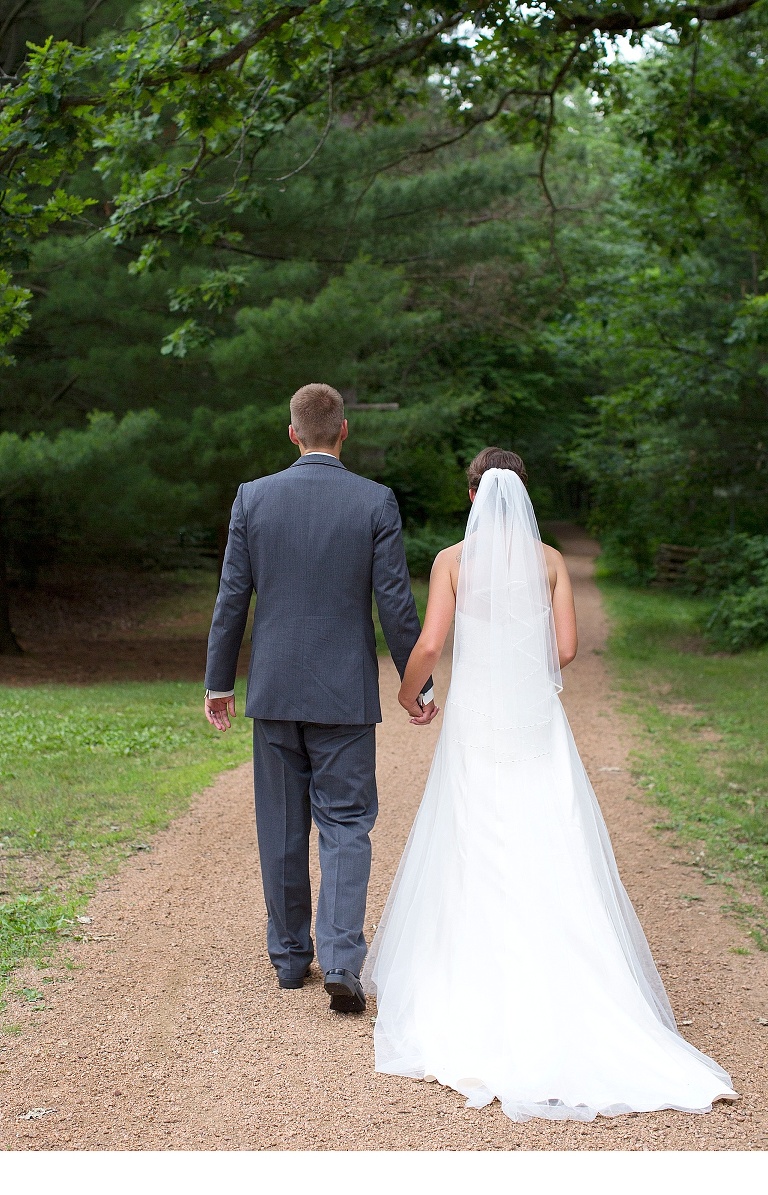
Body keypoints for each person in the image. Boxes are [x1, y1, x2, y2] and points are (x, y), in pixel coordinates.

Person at [362, 447, 737, 1121]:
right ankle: (572, 984)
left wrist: (409, 688)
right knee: (547, 833)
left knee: (474, 834)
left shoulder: (453, 561)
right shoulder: (550, 561)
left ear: (475, 495)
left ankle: (475, 982)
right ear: (523, 495)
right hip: (533, 723)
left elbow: (429, 643)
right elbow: (564, 650)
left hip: (477, 723)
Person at [204, 383, 436, 1014]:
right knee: (346, 825)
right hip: (344, 696)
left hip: (275, 690)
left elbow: (232, 598)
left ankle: (287, 959)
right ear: (344, 431)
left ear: (292, 433)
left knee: (280, 826)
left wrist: (219, 681)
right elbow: (396, 604)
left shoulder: (254, 499)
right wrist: (418, 685)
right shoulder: (375, 502)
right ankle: (339, 959)